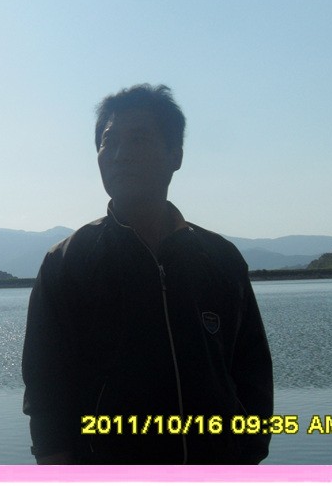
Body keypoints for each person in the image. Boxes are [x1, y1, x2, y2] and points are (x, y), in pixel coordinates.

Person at [21, 84, 273, 465]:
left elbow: (252, 376)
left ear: (175, 155)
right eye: (109, 142)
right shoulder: (67, 264)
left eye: (138, 139)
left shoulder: (221, 261)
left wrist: (246, 459)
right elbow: (45, 397)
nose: (120, 154)